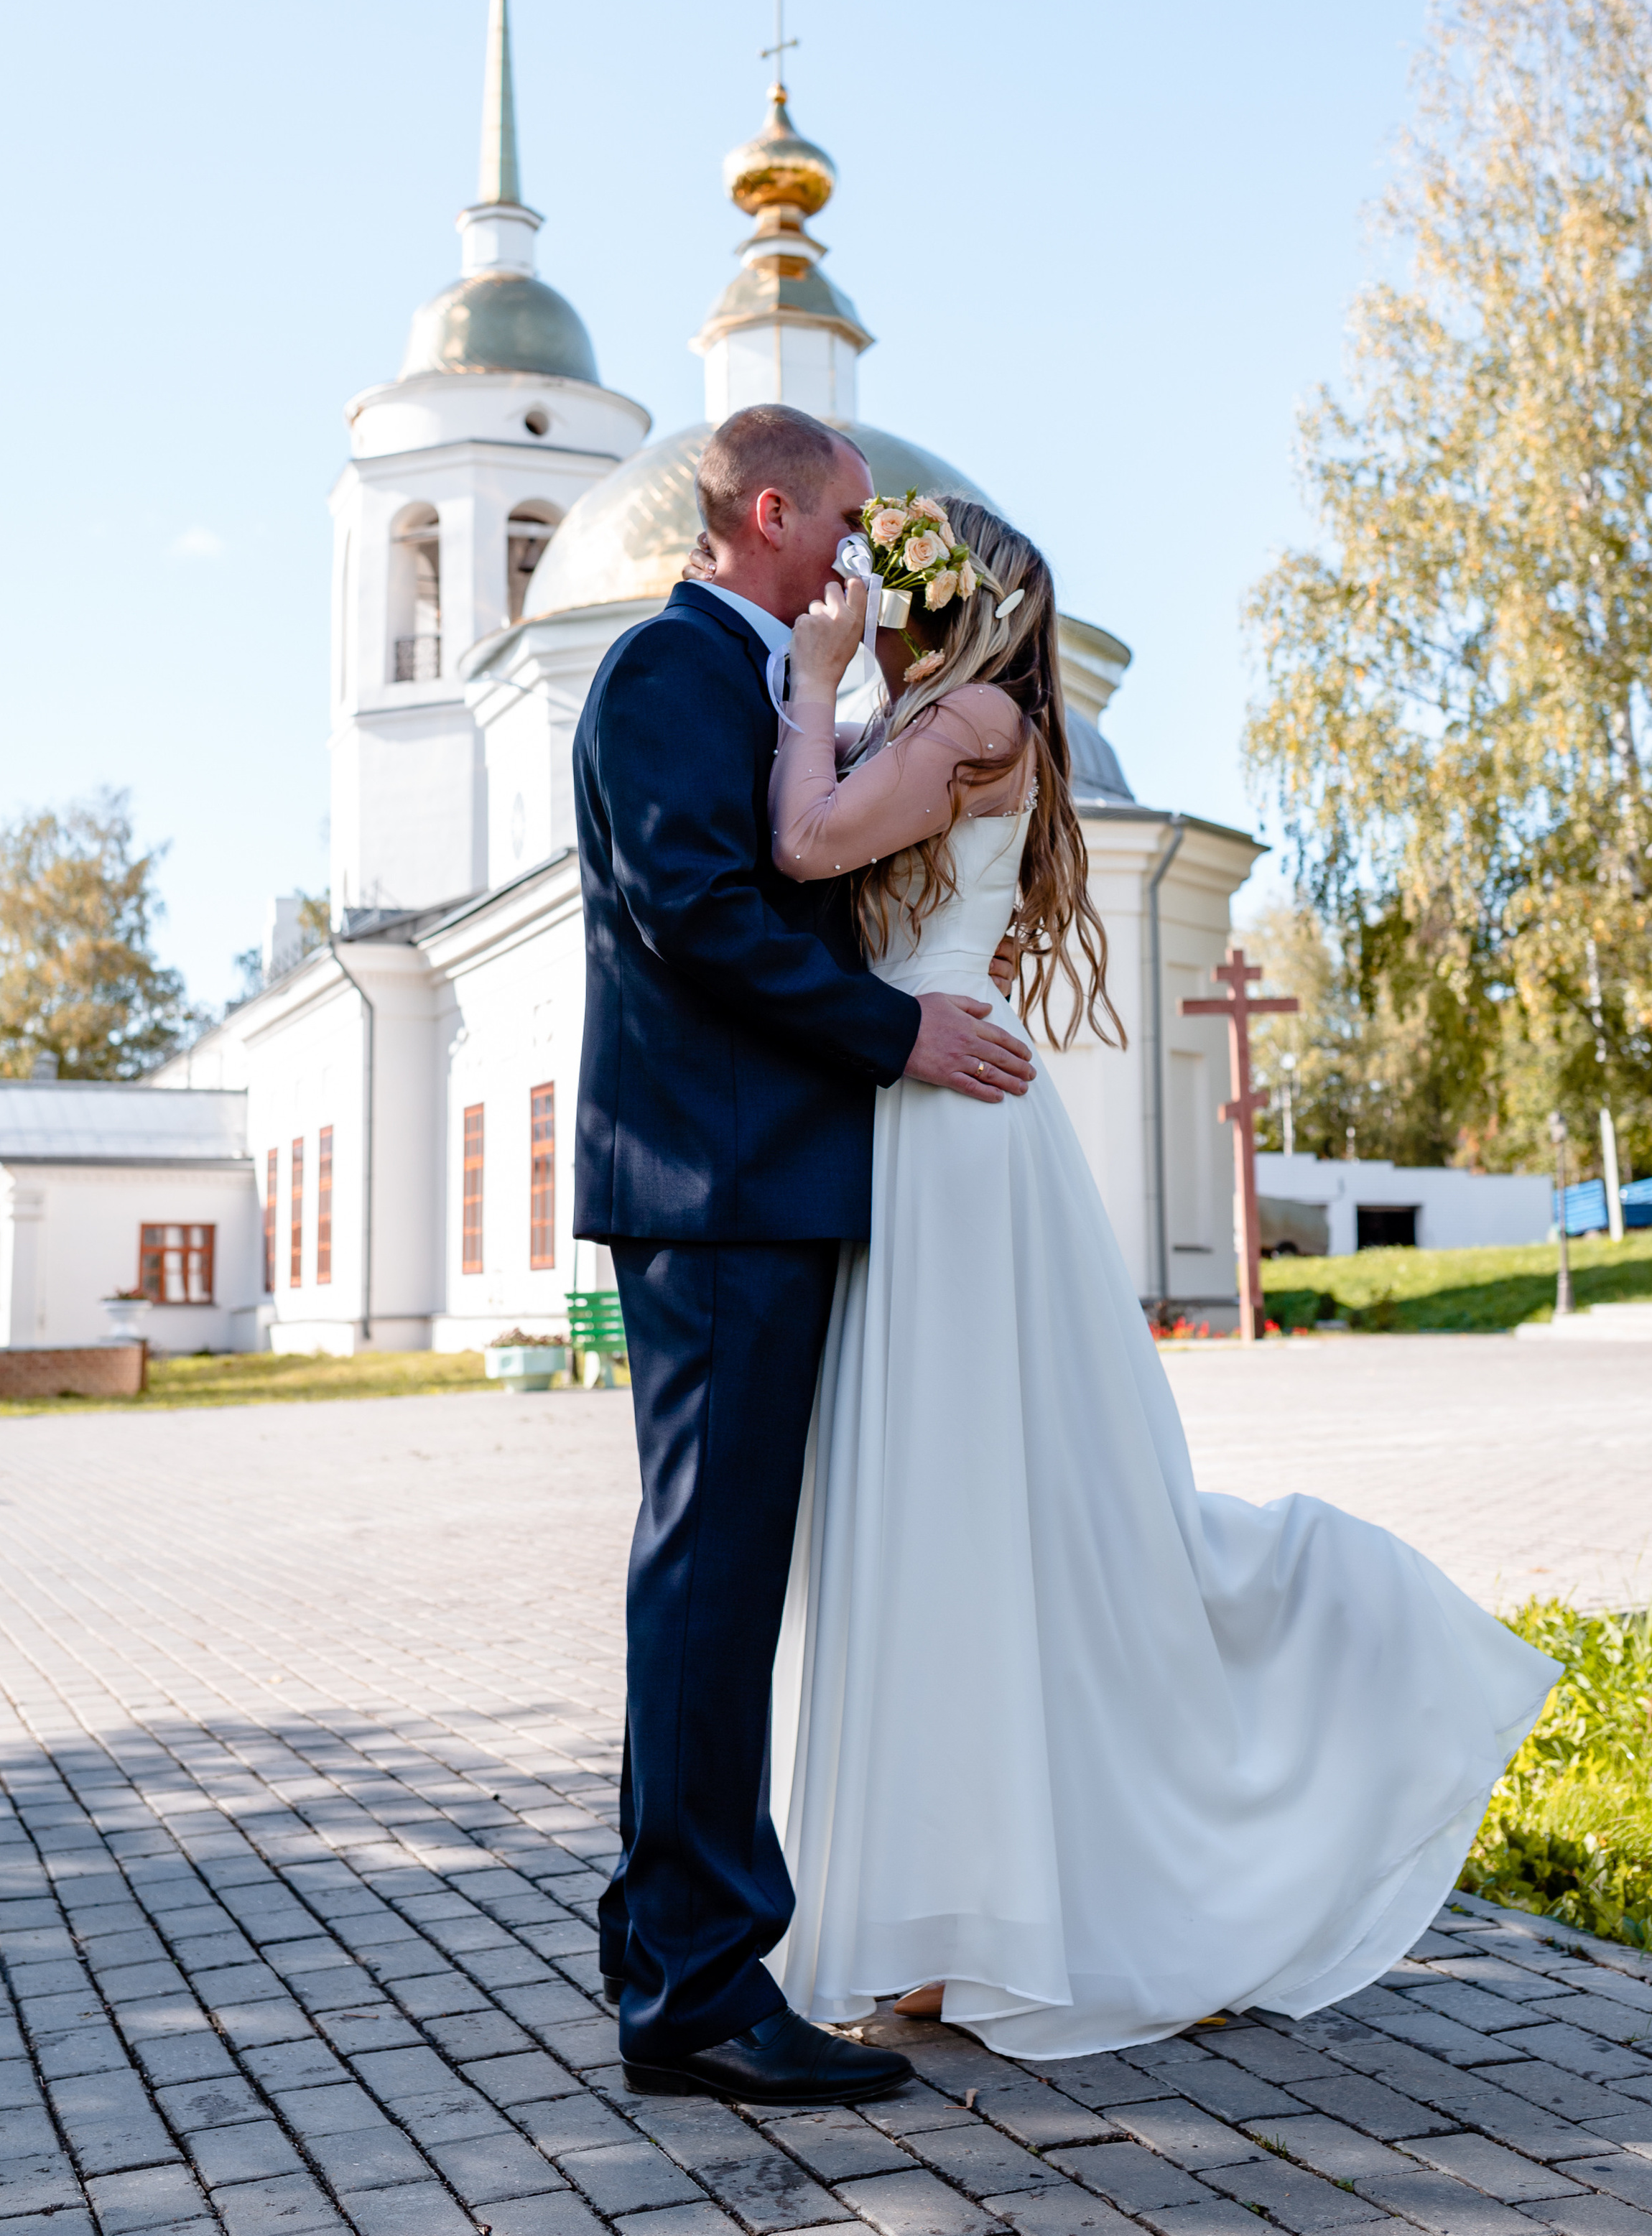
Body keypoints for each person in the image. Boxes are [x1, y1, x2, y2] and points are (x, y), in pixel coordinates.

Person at [761, 496, 1562, 2059]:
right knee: (945, 1523)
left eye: (894, 579)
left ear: (956, 601)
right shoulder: (936, 719)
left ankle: (1331, 1654)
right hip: (915, 1119)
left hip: (951, 1134)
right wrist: (845, 696)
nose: (869, 599)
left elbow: (803, 843)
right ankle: (947, 1911)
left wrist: (811, 686)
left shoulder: (976, 713)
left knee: (1002, 1514)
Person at [571, 406, 1037, 2105]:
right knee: (709, 1584)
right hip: (720, 1183)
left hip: (750, 1180)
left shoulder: (761, 687)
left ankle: (662, 1945)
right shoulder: (667, 673)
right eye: (842, 521)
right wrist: (889, 1032)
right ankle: (700, 1989)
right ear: (768, 513)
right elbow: (695, 910)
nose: (858, 553)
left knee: (708, 1583)